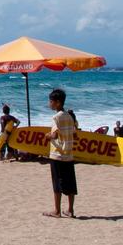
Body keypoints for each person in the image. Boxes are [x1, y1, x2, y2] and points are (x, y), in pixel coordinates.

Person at [44, 88, 79, 218]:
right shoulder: (70, 116)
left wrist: (47, 136)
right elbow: (75, 135)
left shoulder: (56, 118)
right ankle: (70, 210)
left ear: (58, 102)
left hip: (57, 154)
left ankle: (57, 211)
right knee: (70, 182)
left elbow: (54, 135)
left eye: (51, 101)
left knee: (57, 183)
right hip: (69, 154)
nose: (49, 103)